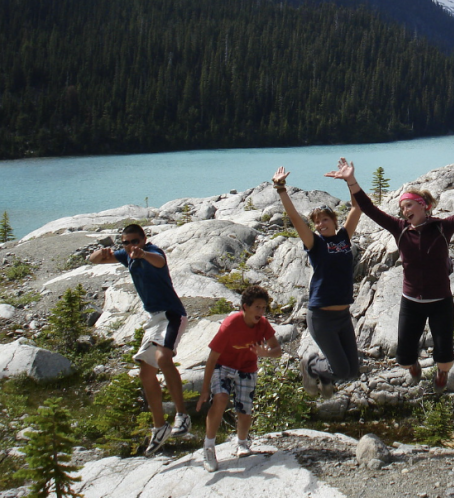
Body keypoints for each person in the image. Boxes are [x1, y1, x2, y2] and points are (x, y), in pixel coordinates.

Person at [332, 156, 454, 392]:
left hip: (441, 302)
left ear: (424, 205)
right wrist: (351, 180)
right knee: (403, 358)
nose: (404, 211)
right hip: (411, 302)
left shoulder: (443, 227)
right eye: (402, 208)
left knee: (444, 357)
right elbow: (369, 208)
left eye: (409, 206)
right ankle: (413, 366)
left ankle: (441, 374)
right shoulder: (400, 229)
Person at [88, 224, 190, 456]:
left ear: (145, 238)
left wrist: (142, 253)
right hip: (154, 318)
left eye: (135, 240)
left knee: (164, 358)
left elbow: (159, 262)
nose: (131, 245)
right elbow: (95, 260)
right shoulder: (126, 255)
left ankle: (182, 416)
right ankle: (159, 427)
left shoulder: (153, 252)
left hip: (172, 314)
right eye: (126, 242)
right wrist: (100, 254)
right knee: (146, 373)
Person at [272, 165, 362, 398]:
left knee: (352, 372)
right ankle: (311, 365)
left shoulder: (344, 237)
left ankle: (323, 374)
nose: (321, 224)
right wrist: (281, 188)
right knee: (341, 369)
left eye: (325, 219)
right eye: (317, 222)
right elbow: (294, 217)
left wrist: (349, 180)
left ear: (334, 220)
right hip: (321, 316)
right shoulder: (315, 243)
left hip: (342, 316)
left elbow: (357, 206)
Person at [196, 284, 282, 472]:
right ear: (245, 307)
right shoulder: (231, 324)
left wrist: (264, 353)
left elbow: (277, 350)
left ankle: (242, 443)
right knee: (220, 398)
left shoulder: (263, 324)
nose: (261, 311)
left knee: (245, 409)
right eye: (257, 307)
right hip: (224, 366)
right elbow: (212, 358)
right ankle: (209, 448)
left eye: (263, 307)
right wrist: (204, 389)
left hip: (247, 368)